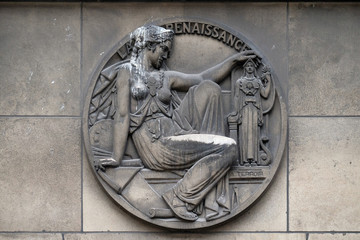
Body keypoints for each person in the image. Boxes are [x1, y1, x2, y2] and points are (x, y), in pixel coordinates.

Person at [97, 25, 256, 221]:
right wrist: (116, 157)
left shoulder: (166, 77)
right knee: (230, 148)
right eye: (164, 49)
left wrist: (232, 62)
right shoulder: (127, 72)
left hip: (175, 134)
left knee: (209, 88)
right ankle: (181, 197)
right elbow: (122, 116)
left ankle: (198, 193)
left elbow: (201, 78)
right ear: (150, 45)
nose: (166, 54)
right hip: (155, 145)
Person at [233, 59, 271, 166]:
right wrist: (236, 112)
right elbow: (236, 97)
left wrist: (269, 81)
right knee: (244, 134)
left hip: (254, 110)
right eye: (248, 66)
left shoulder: (258, 82)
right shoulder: (239, 82)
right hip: (244, 110)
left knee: (254, 134)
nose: (249, 67)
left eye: (251, 66)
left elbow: (265, 94)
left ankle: (254, 160)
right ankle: (244, 161)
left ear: (254, 68)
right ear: (245, 68)